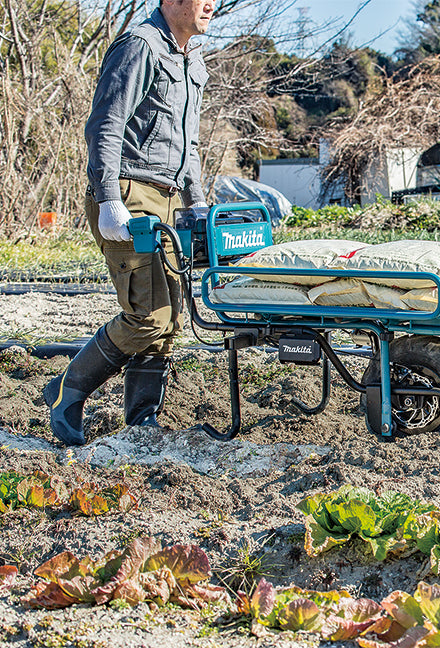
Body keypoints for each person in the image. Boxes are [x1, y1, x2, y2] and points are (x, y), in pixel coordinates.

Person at [43, 0, 214, 445]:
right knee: (147, 315)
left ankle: (141, 422)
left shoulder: (191, 58)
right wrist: (107, 199)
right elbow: (106, 124)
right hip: (130, 192)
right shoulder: (140, 45)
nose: (211, 4)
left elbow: (189, 144)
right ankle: (69, 388)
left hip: (169, 198)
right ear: (172, 1)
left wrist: (196, 203)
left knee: (170, 316)